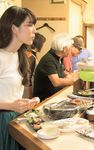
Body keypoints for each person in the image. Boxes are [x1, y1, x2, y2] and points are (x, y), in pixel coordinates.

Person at [0, 6, 38, 150]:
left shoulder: (20, 55)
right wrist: (11, 105)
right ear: (14, 28)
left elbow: (11, 94)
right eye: (29, 25)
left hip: (14, 120)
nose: (34, 30)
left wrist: (25, 103)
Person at [33, 33, 81, 101]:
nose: (70, 50)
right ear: (64, 49)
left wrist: (68, 76)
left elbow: (63, 73)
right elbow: (56, 82)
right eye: (70, 48)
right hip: (45, 99)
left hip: (55, 95)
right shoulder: (48, 60)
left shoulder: (59, 57)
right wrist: (74, 81)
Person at [23, 33, 46, 98]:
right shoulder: (30, 56)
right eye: (43, 44)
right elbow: (28, 76)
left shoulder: (28, 54)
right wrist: (29, 94)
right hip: (28, 87)